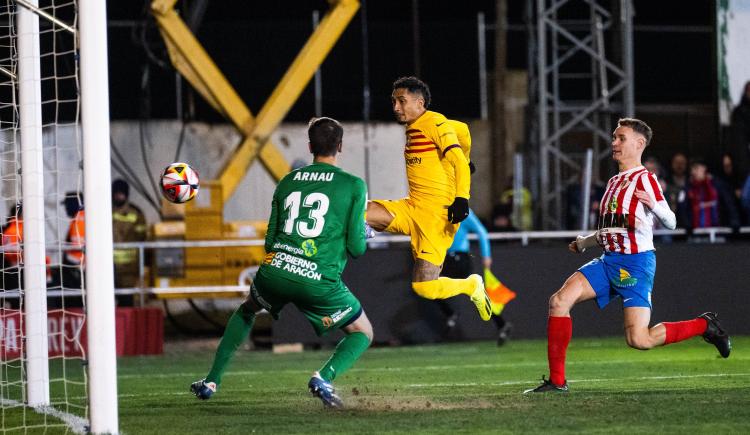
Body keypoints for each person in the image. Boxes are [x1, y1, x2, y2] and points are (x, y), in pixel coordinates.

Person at [525, 118, 731, 394]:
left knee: (640, 339)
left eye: (620, 138)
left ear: (639, 143)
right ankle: (557, 381)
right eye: (614, 137)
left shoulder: (645, 179)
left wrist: (655, 205)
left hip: (635, 264)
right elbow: (613, 227)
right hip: (608, 260)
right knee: (559, 301)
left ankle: (705, 325)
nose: (614, 143)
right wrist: (585, 242)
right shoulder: (613, 182)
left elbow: (670, 221)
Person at [191, 117, 373, 408]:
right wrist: (364, 232)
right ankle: (323, 377)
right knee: (363, 332)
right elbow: (356, 249)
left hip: (275, 271)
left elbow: (270, 239)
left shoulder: (287, 181)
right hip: (318, 281)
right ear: (340, 146)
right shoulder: (353, 185)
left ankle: (211, 380)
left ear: (310, 145)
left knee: (248, 309)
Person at [365, 76, 492, 322]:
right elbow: (463, 131)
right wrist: (466, 155)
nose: (396, 107)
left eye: (401, 101)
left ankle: (471, 286)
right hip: (412, 207)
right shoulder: (417, 127)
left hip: (437, 218)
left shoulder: (434, 122)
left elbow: (457, 162)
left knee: (423, 287)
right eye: (393, 101)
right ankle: (364, 231)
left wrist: (461, 197)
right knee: (359, 211)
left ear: (420, 102)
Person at [438, 209, 515, 345]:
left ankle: (450, 313)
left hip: (459, 259)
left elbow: (481, 231)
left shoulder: (462, 210)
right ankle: (501, 323)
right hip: (447, 259)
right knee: (475, 294)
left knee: (428, 282)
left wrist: (486, 255)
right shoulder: (438, 209)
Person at [112, 179, 148, 305]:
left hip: (128, 267)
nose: (118, 196)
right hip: (108, 265)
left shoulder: (136, 214)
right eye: (116, 193)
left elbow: (142, 237)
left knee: (126, 300)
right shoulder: (105, 211)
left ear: (126, 195)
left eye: (121, 193)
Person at [62, 191, 85, 290]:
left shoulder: (79, 220)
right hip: (80, 267)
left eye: (67, 204)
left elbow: (76, 246)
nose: (65, 208)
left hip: (77, 267)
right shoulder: (81, 217)